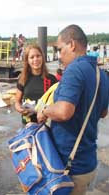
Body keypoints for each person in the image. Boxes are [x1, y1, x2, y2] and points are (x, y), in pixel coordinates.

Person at [37, 24, 109, 195]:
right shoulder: (101, 74)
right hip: (87, 160)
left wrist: (45, 110)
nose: (59, 55)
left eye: (60, 49)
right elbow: (103, 112)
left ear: (72, 45)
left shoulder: (74, 69)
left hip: (69, 165)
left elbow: (64, 111)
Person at [15, 44, 57, 125]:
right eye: (32, 57)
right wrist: (20, 109)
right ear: (27, 60)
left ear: (42, 57)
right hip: (28, 124)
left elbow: (57, 103)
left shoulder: (52, 79)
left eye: (38, 56)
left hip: (47, 123)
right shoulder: (23, 79)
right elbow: (17, 101)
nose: (35, 59)